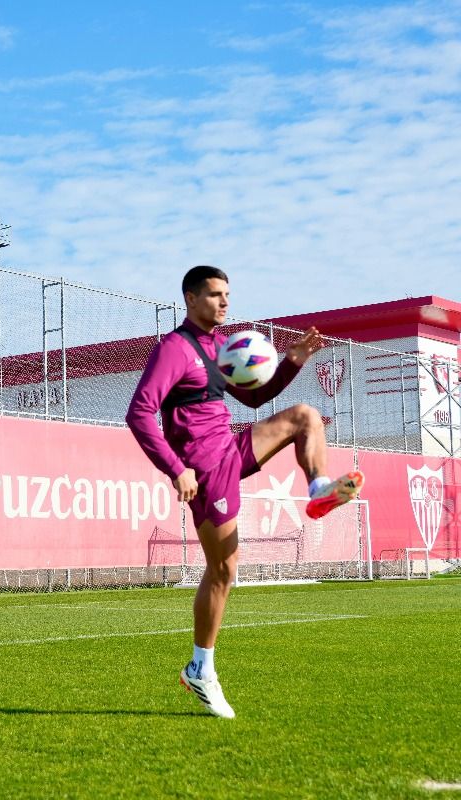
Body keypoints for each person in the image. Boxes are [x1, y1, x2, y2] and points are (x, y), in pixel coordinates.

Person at [125, 265, 364, 719]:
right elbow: (139, 414)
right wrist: (176, 469)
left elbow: (253, 399)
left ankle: (318, 489)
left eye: (227, 294)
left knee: (306, 416)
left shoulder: (219, 347)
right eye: (215, 294)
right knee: (223, 571)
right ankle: (201, 668)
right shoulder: (174, 349)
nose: (224, 302)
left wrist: (291, 361)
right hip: (205, 468)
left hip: (232, 446)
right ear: (190, 298)